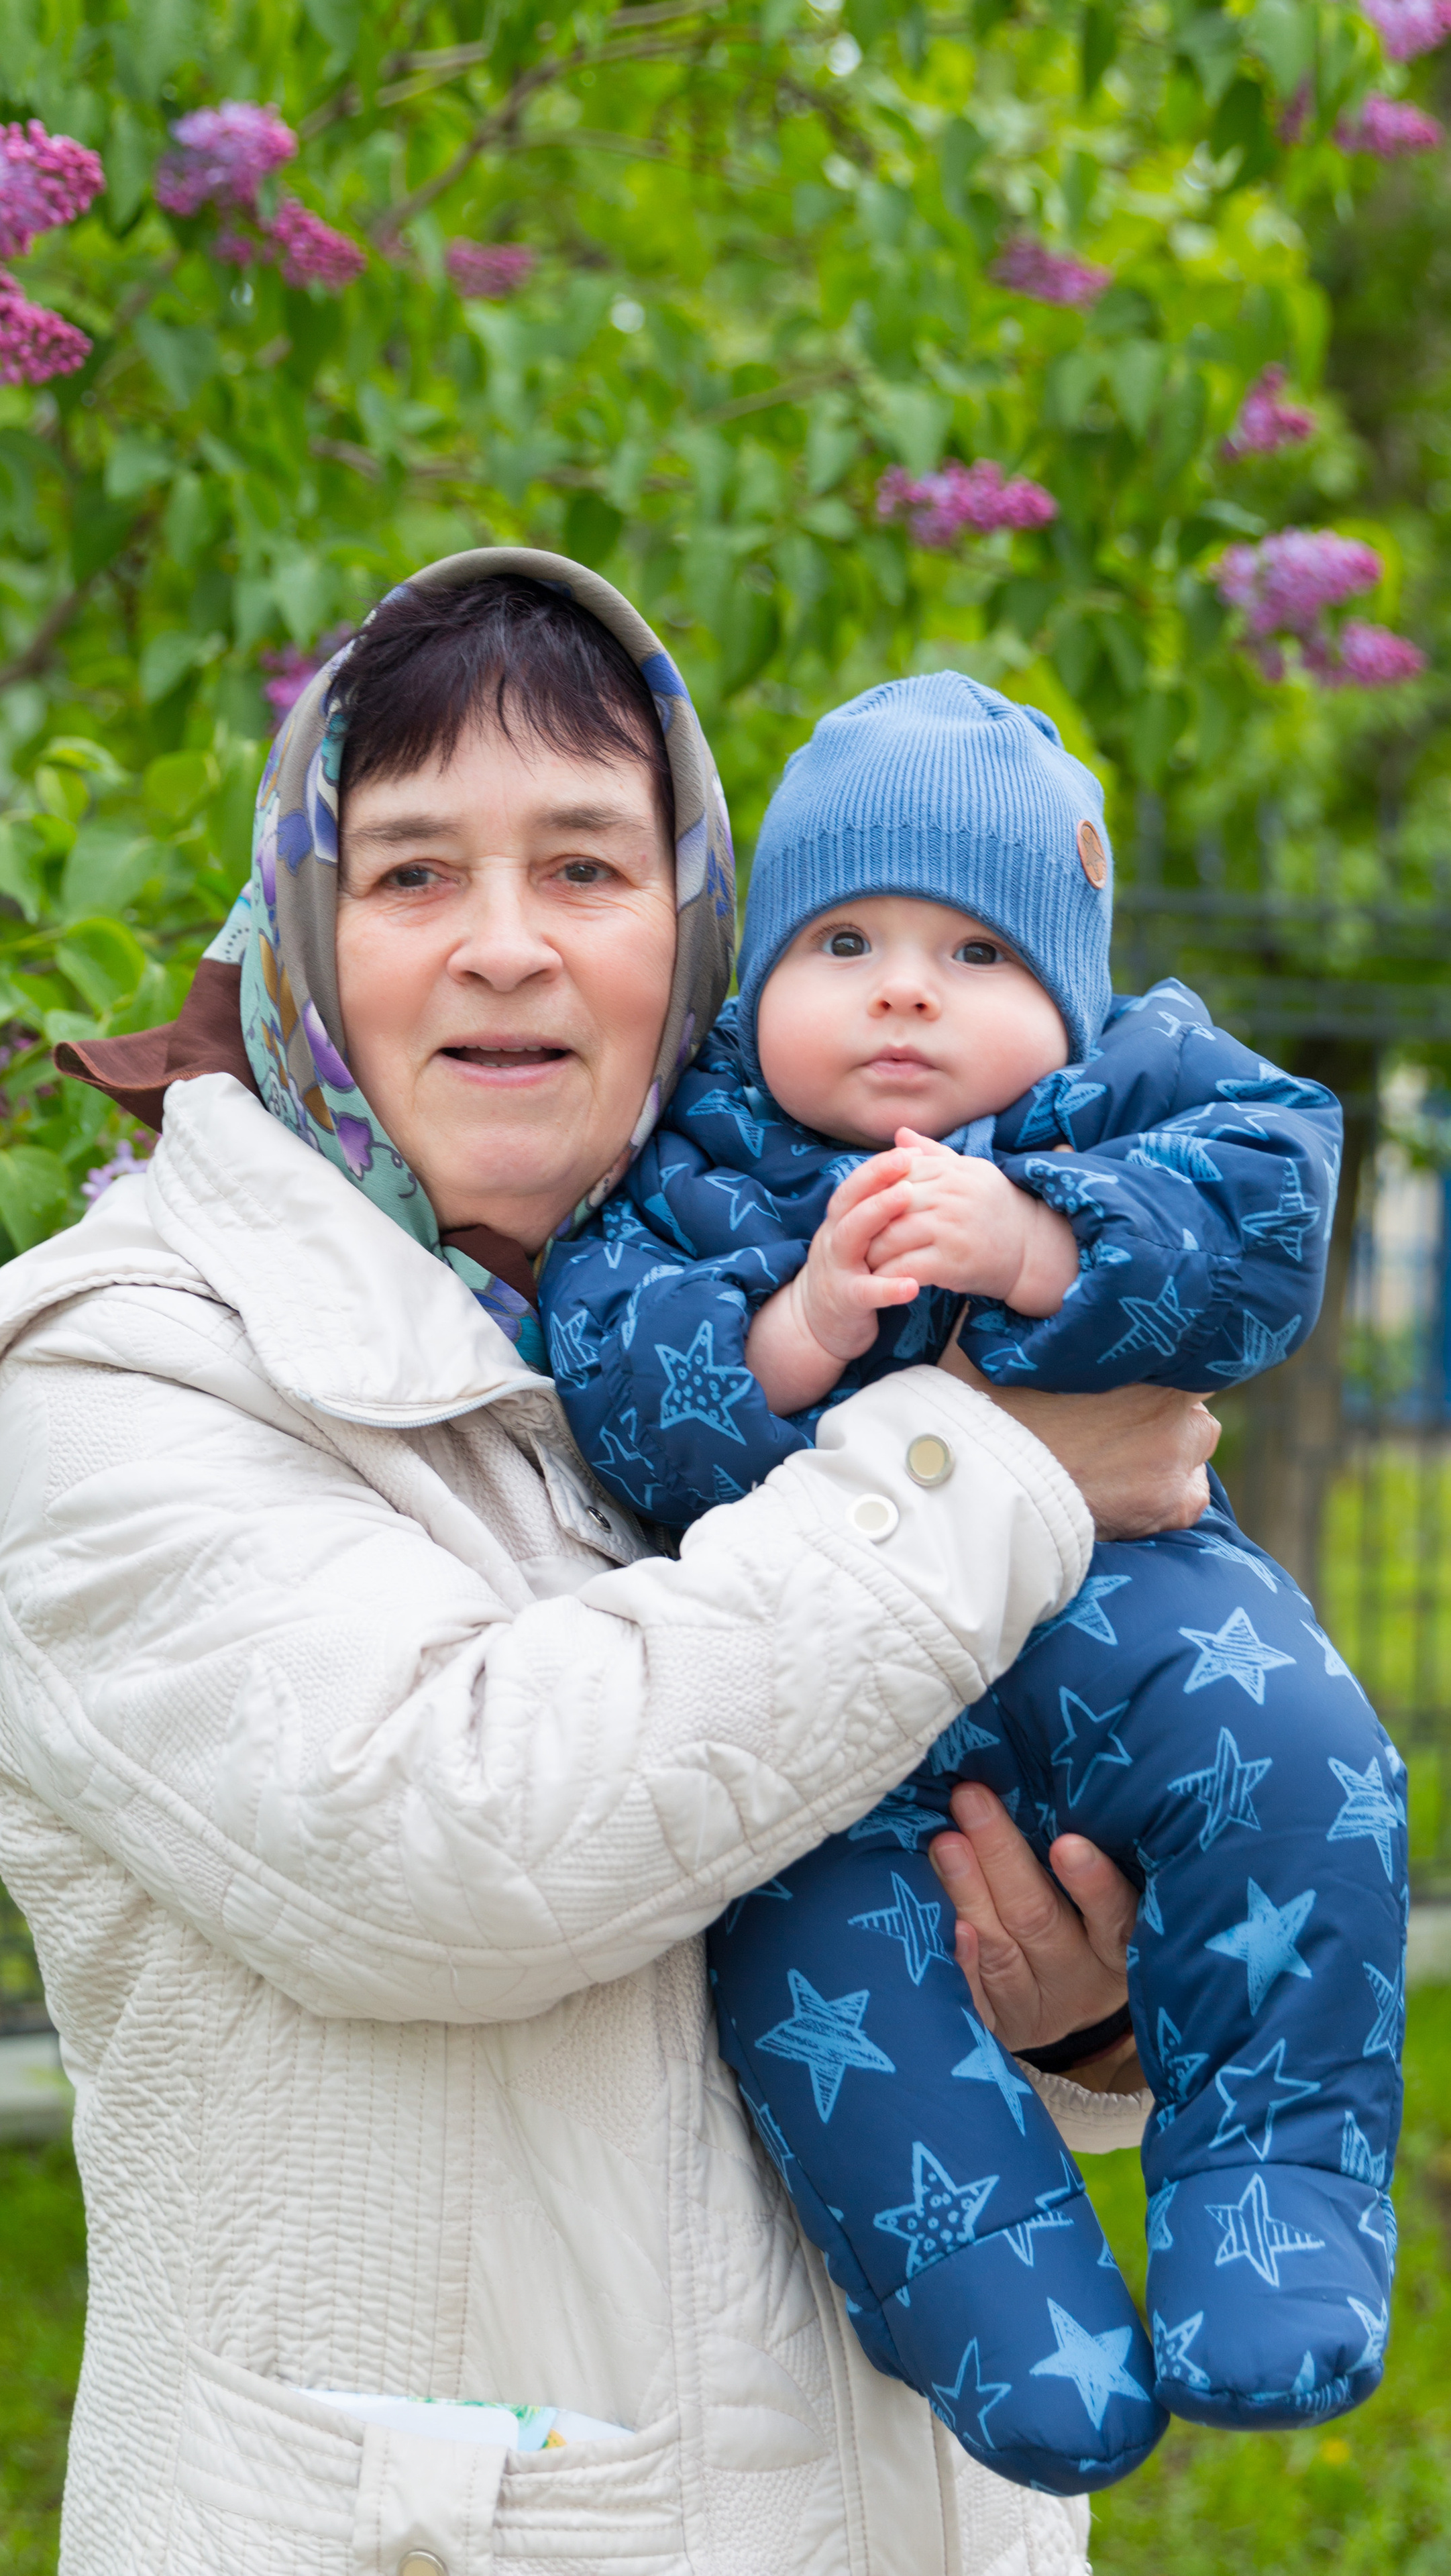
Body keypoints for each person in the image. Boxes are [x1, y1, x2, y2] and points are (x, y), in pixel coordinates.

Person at [0, 555, 1218, 2576]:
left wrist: (1080, 2004)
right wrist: (998, 1469)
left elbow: (927, 1864)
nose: (505, 948)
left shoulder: (789, 1320)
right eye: (411, 876)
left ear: (695, 937)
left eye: (585, 868)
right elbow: (462, 1848)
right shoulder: (127, 1374)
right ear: (309, 928)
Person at [540, 676, 1406, 2493]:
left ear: (1070, 991)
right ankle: (998, 2303)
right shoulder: (692, 1160)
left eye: (975, 949)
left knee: (1310, 1761)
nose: (907, 987)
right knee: (810, 1969)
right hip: (830, 1724)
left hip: (1140, 1619)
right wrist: (794, 1329)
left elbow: (1268, 1216)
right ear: (756, 977)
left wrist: (1036, 1242)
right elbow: (616, 1380)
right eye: (842, 938)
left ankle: (1275, 2186)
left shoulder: (1134, 1090)